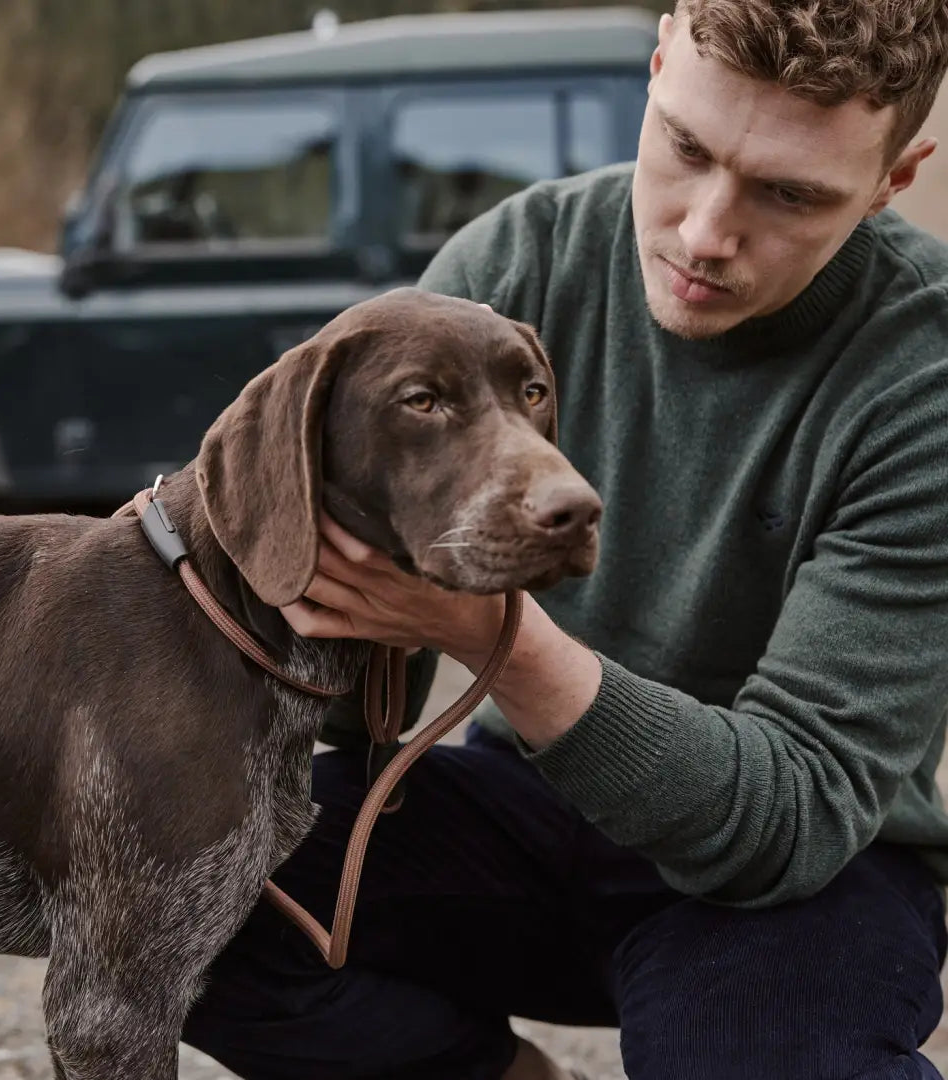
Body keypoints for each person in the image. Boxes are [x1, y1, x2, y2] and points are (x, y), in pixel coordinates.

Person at [182, 1, 948, 1077]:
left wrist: (494, 633)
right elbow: (327, 662)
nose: (703, 234)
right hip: (524, 808)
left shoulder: (923, 378)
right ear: (654, 72)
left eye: (790, 195)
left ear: (891, 181)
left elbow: (792, 815)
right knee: (174, 908)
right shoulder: (519, 261)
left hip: (801, 876)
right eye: (686, 148)